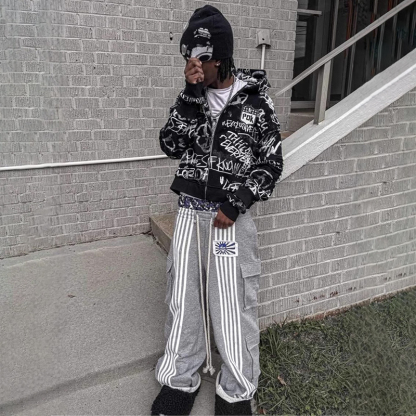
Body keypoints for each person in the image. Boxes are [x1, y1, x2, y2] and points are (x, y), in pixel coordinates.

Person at [151, 5, 283, 415]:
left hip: (229, 221)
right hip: (190, 213)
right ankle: (179, 379)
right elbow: (171, 145)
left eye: (200, 59)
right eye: (188, 59)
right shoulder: (191, 97)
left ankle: (236, 389)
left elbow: (271, 162)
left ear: (219, 57)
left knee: (233, 303)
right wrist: (190, 95)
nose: (193, 67)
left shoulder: (257, 102)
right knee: (183, 297)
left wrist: (236, 201)